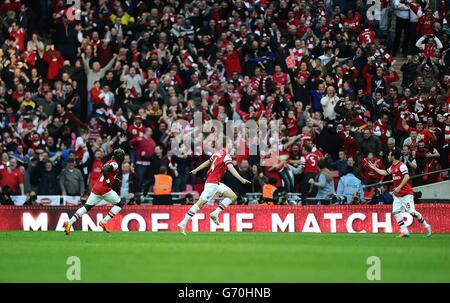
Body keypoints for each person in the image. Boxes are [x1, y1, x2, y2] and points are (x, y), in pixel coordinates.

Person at [177, 141, 251, 235]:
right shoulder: (226, 156)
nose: (233, 148)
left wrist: (196, 170)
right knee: (199, 204)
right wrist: (242, 179)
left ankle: (215, 213)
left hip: (215, 183)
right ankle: (183, 223)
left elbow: (206, 163)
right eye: (231, 145)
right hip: (212, 184)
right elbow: (232, 169)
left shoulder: (216, 154)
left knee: (233, 196)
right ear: (226, 145)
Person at [368, 149, 432, 237]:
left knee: (412, 212)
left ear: (393, 156)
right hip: (398, 195)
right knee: (396, 212)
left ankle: (427, 226)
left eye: (389, 155)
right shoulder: (392, 167)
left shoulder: (402, 166)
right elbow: (385, 172)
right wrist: (375, 168)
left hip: (406, 193)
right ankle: (404, 231)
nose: (388, 156)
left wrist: (399, 187)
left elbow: (407, 177)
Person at [63, 149, 126, 235]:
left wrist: (113, 179)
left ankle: (69, 223)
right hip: (105, 189)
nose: (123, 158)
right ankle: (104, 221)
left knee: (86, 207)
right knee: (120, 204)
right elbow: (104, 170)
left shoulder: (109, 161)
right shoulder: (115, 164)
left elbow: (106, 171)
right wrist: (108, 181)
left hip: (96, 188)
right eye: (122, 156)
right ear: (119, 157)